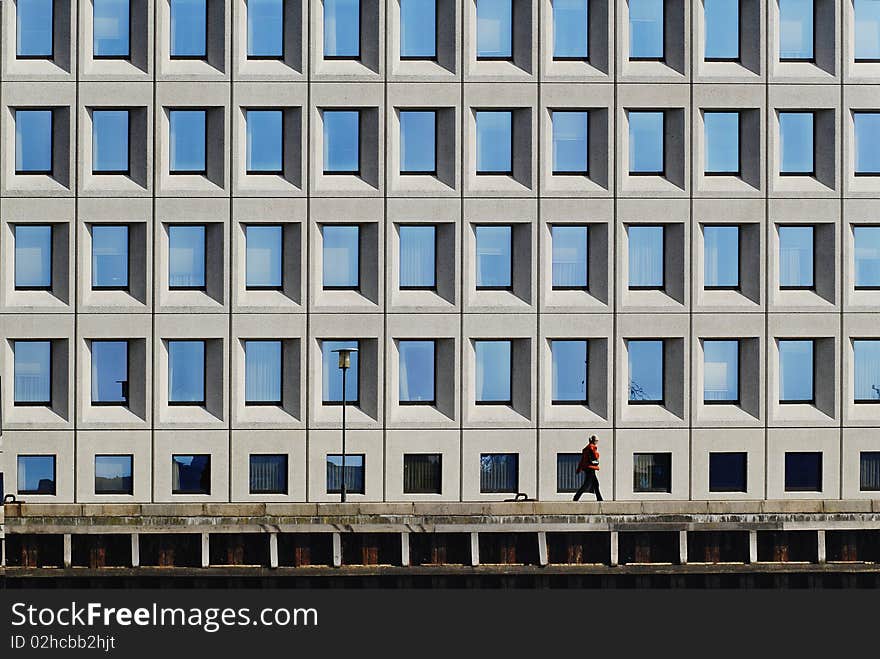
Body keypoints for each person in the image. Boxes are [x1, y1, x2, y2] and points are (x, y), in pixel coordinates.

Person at [573, 435, 603, 502]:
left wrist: (579, 469)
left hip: (587, 468)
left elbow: (582, 460)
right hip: (590, 468)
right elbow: (595, 456)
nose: (597, 442)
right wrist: (598, 454)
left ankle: (599, 498)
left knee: (596, 483)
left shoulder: (585, 449)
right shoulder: (592, 447)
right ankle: (576, 497)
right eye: (596, 441)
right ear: (593, 440)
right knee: (586, 484)